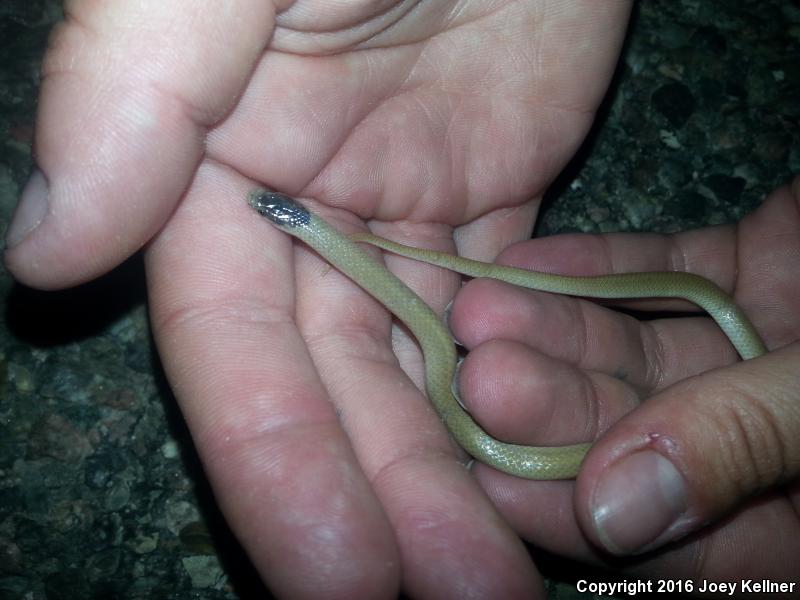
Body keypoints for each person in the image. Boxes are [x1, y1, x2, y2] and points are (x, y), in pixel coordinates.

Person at [4, 2, 798, 597]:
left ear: (300, 223)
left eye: (277, 214)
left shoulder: (338, 235)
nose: (273, 214)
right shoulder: (328, 232)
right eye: (279, 214)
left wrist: (756, 434)